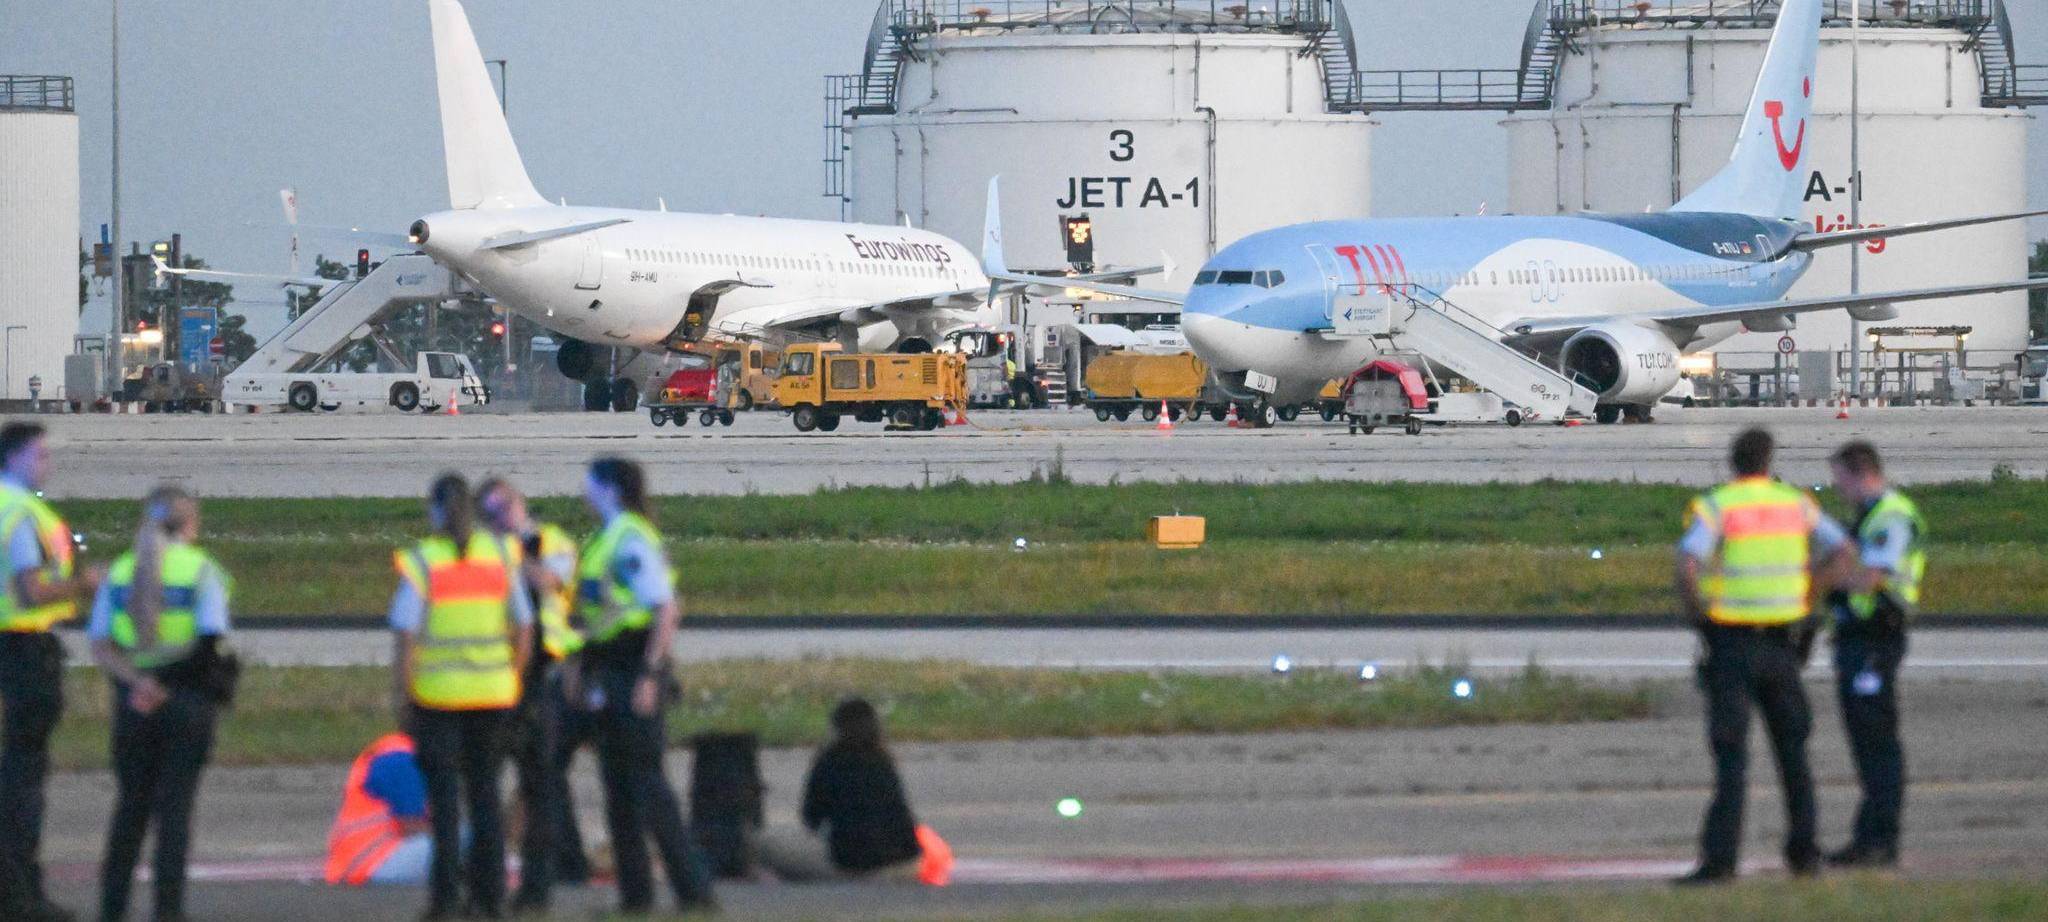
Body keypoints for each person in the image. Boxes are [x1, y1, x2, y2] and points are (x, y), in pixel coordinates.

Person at [1673, 427, 1852, 886]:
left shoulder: (1719, 505)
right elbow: (1843, 551)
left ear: (1732, 464)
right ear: (1769, 462)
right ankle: (1804, 853)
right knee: (1793, 753)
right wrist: (1810, 596)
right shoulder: (1795, 504)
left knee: (1731, 756)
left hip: (1731, 643)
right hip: (1782, 645)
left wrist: (1700, 617)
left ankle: (1720, 862)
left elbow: (1687, 563)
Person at [389, 474, 534, 920]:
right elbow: (524, 626)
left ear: (435, 511)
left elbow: (406, 633)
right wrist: (511, 674)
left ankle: (446, 898)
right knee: (486, 796)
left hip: (437, 700)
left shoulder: (425, 561)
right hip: (492, 697)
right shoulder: (501, 555)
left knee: (446, 804)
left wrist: (403, 692)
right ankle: (491, 898)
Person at [575, 457, 714, 915]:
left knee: (648, 787)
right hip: (608, 668)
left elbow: (665, 609)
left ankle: (693, 890)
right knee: (618, 790)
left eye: (591, 482)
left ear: (611, 488)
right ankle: (636, 895)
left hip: (632, 668)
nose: (583, 489)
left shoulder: (629, 538)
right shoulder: (606, 536)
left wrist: (650, 675)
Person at [90, 487, 232, 922]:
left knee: (130, 809)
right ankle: (168, 912)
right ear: (190, 523)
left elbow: (101, 644)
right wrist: (166, 684)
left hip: (133, 704)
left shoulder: (120, 572)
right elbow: (209, 642)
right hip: (186, 702)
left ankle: (112, 910)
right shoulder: (200, 570)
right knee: (174, 815)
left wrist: (140, 682)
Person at [475, 477, 593, 910]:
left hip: (550, 670)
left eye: (505, 505)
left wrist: (510, 554)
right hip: (500, 675)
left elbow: (551, 582)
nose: (500, 516)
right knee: (533, 778)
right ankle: (557, 864)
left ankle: (562, 866)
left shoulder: (551, 541)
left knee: (546, 775)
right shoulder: (484, 549)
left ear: (522, 503)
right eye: (491, 511)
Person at [0, 422, 101, 922]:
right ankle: (19, 897)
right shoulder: (19, 512)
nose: (48, 463)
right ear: (15, 458)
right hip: (22, 649)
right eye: (40, 455)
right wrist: (85, 582)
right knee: (22, 778)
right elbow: (30, 590)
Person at [1824, 441, 1924, 868]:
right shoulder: (1867, 517)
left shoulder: (1892, 516)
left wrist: (1826, 579)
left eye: (1841, 479)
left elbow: (1870, 579)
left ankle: (1881, 840)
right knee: (1865, 740)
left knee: (1877, 740)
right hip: (1858, 639)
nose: (1838, 488)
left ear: (1860, 471)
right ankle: (1870, 837)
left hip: (1876, 640)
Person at [756, 699, 925, 883]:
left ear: (836, 728)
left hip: (854, 868)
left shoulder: (829, 762)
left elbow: (811, 819)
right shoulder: (883, 760)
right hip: (908, 863)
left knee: (762, 848)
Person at [325, 733, 435, 888]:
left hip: (358, 863)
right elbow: (411, 826)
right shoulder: (400, 758)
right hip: (373, 863)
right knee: (471, 838)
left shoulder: (396, 751)